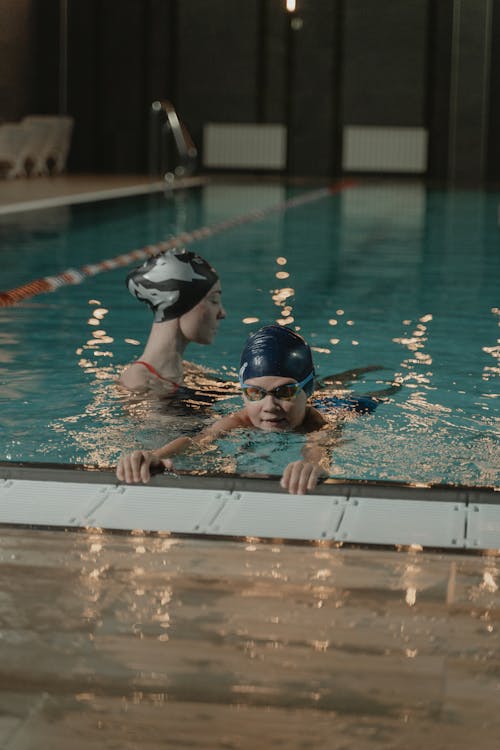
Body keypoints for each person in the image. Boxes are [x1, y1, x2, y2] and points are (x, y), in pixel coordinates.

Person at [117, 325, 352, 494]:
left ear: (308, 388)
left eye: (285, 392)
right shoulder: (241, 420)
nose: (269, 407)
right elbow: (198, 441)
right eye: (255, 393)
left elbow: (320, 447)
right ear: (242, 393)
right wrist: (156, 456)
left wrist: (313, 467)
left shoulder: (318, 423)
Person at [117, 247, 226, 395]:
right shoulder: (140, 383)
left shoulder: (189, 372)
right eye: (214, 300)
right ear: (178, 303)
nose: (222, 313)